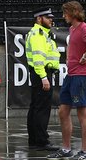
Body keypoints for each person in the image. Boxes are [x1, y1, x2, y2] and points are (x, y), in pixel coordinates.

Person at [49, 1, 86, 160]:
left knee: (82, 112)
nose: (63, 16)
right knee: (63, 111)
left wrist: (85, 56)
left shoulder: (83, 27)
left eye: (65, 13)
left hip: (82, 76)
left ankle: (85, 151)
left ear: (73, 12)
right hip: (72, 75)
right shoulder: (72, 29)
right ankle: (66, 148)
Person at [24, 8, 60, 151]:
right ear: (39, 19)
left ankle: (34, 140)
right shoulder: (38, 34)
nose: (51, 20)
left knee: (35, 107)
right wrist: (44, 77)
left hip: (40, 73)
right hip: (42, 73)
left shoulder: (42, 34)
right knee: (41, 109)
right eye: (47, 17)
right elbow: (39, 59)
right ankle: (41, 141)